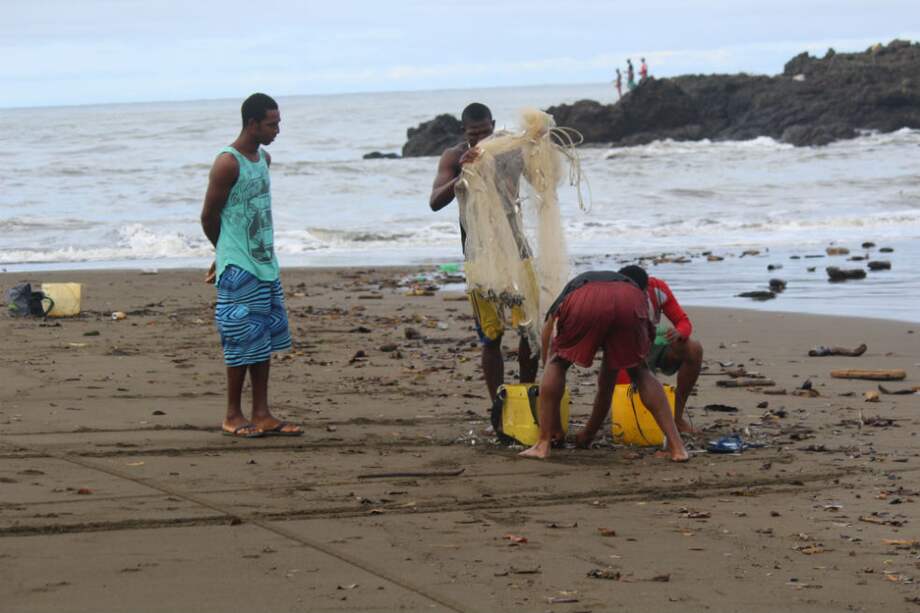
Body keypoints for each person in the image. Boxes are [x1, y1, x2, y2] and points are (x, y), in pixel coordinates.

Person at [200, 93, 303, 438]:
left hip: (265, 264)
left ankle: (261, 413)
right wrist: (223, 254)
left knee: (263, 339)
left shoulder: (263, 159)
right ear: (251, 124)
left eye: (278, 123)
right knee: (239, 339)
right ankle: (233, 414)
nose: (277, 130)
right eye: (271, 124)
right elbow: (208, 215)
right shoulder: (227, 162)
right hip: (238, 267)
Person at [429, 103, 539, 404]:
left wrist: (536, 146)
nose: (480, 139)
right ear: (464, 131)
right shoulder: (454, 156)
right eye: (473, 134)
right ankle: (498, 405)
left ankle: (526, 395)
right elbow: (435, 201)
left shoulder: (510, 149)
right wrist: (462, 172)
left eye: (485, 132)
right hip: (478, 256)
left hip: (517, 252)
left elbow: (540, 180)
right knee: (491, 336)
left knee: (529, 331)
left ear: (493, 124)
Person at [519, 269, 689, 461]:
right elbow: (606, 385)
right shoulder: (630, 287)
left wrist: (547, 368)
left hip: (585, 299)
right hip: (629, 299)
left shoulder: (569, 292)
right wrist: (588, 434)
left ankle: (542, 444)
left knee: (557, 362)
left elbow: (547, 335)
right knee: (640, 371)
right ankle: (677, 447)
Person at [617, 267, 703, 434]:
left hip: (654, 340)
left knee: (694, 348)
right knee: (629, 393)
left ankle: (676, 418)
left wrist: (679, 333)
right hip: (624, 347)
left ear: (646, 287)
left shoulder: (657, 289)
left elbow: (683, 321)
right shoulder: (612, 297)